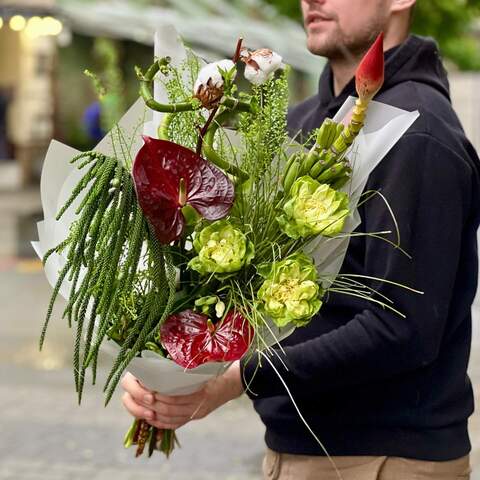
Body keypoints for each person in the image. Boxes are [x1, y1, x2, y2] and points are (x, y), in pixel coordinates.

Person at [121, 1, 480, 478]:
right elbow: (242, 282)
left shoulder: (419, 132)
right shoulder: (304, 123)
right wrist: (171, 362)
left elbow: (402, 328)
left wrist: (236, 379)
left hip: (384, 458)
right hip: (301, 449)